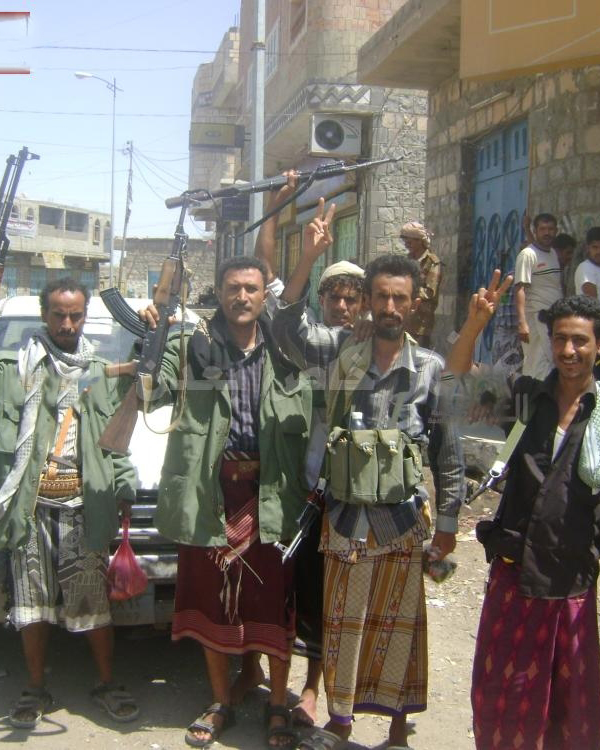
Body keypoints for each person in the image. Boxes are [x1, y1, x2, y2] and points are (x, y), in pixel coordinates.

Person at [272, 211, 466, 750]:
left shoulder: (430, 369)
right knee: (343, 627)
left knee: (400, 629)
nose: (390, 308)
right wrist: (308, 258)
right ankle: (340, 723)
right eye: (381, 297)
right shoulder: (340, 351)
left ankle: (398, 731)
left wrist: (448, 526)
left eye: (400, 298)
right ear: (367, 301)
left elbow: (448, 454)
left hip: (402, 521)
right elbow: (285, 327)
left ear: (415, 303)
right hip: (345, 518)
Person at [453, 294, 600, 750]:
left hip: (569, 580)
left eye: (580, 340)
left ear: (599, 345)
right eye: (560, 339)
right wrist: (474, 325)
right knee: (502, 701)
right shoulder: (526, 399)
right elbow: (456, 376)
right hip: (514, 572)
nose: (568, 350)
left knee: (568, 712)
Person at [0, 277, 140, 729]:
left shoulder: (102, 374)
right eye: (59, 315)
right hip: (29, 510)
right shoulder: (9, 370)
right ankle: (35, 689)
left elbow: (115, 443)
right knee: (31, 606)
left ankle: (107, 683)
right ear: (44, 315)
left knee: (93, 605)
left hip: (83, 508)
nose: (67, 324)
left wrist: (125, 488)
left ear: (85, 316)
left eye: (75, 315)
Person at [140, 255, 313, 749]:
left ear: (263, 296)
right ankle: (221, 702)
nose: (242, 297)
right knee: (209, 600)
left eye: (251, 288)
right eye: (233, 288)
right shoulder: (189, 345)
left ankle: (276, 705)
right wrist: (151, 339)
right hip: (209, 494)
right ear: (218, 293)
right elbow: (152, 393)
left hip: (271, 492)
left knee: (274, 601)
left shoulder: (285, 348)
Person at [254, 189, 364, 729]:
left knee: (330, 596)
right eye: (334, 297)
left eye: (352, 299)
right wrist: (304, 251)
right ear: (323, 299)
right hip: (301, 483)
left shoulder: (376, 347)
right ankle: (271, 677)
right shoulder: (314, 340)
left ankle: (316, 688)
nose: (342, 307)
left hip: (349, 492)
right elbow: (280, 307)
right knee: (288, 588)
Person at [514, 212, 562, 379]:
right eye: (542, 229)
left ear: (556, 230)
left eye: (550, 229)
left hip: (553, 317)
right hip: (536, 316)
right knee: (537, 361)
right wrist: (522, 323)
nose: (547, 233)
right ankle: (531, 392)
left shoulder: (552, 253)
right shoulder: (527, 255)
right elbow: (519, 288)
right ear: (536, 231)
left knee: (550, 361)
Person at [400, 220, 442, 348]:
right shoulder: (406, 260)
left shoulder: (432, 263)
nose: (407, 245)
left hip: (421, 325)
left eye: (410, 242)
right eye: (405, 242)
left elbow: (430, 292)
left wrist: (407, 290)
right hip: (403, 320)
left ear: (419, 241)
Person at [574, 226, 600, 307]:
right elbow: (592, 302)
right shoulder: (586, 267)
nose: (598, 252)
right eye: (595, 247)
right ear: (588, 248)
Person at [553, 232, 578, 298]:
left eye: (572, 253)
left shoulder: (566, 271)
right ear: (557, 252)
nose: (571, 256)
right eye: (568, 253)